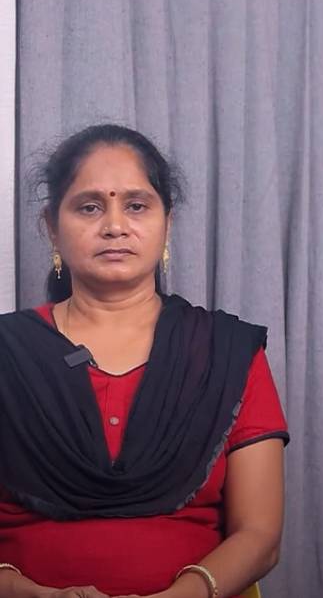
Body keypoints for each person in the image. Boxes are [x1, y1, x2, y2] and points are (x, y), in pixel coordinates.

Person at [0, 125, 288, 598]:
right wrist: (29, 593)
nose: (114, 226)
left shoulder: (225, 352)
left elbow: (260, 535)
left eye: (136, 206)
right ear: (51, 226)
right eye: (89, 207)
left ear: (167, 223)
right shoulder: (9, 352)